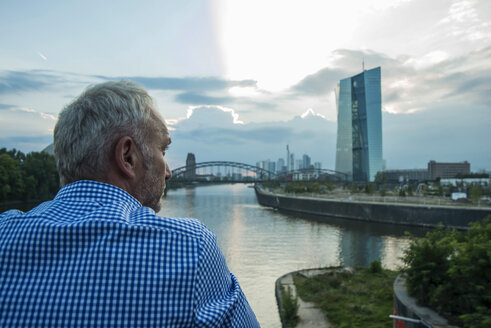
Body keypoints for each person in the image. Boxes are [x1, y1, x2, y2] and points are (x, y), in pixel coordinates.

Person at [0, 80, 260, 327]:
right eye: (163, 150)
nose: (169, 171)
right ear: (127, 157)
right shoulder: (190, 248)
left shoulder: (4, 233)